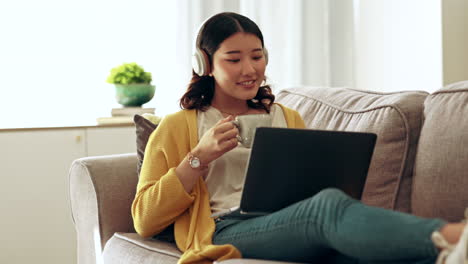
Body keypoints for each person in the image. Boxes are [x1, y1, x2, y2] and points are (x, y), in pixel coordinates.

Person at [131, 12, 467, 264]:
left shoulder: (287, 116)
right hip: (225, 228)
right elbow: (144, 219)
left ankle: (449, 252)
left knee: (365, 251)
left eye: (257, 56)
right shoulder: (179, 125)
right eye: (234, 59)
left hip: (287, 221)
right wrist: (197, 159)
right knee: (328, 206)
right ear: (205, 64)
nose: (249, 70)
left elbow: (305, 187)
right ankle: (457, 235)